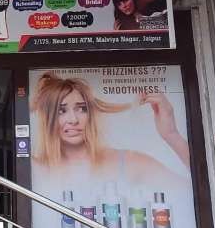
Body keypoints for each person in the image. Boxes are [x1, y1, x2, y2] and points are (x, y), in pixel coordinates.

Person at [30, 72, 190, 195]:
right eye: (61, 111)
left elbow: (193, 190)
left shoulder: (129, 162)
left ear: (91, 113)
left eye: (81, 109)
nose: (73, 119)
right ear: (47, 117)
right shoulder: (36, 168)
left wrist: (172, 135)